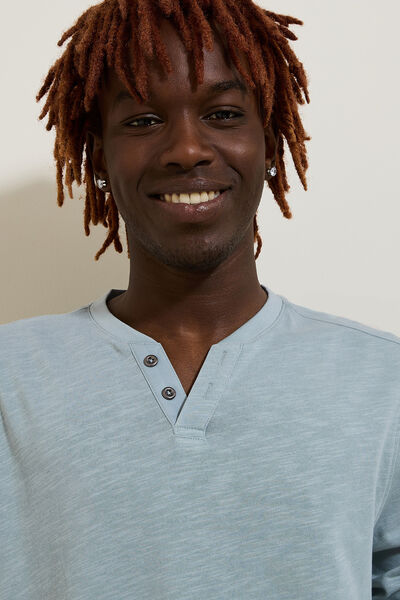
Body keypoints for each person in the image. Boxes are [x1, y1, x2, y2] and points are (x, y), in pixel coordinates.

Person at [0, 1, 399, 598]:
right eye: (142, 120)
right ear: (99, 157)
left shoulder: (383, 381)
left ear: (270, 144)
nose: (187, 149)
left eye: (223, 113)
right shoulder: (11, 379)